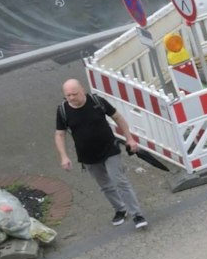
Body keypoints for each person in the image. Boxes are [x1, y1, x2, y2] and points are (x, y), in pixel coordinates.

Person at [54, 79, 146, 230]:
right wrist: (64, 156)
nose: (71, 98)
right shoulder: (63, 110)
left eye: (74, 94)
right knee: (105, 186)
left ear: (82, 90)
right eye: (67, 95)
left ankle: (137, 214)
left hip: (109, 149)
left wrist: (130, 139)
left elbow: (118, 117)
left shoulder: (97, 101)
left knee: (120, 181)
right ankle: (120, 209)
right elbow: (59, 135)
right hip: (88, 156)